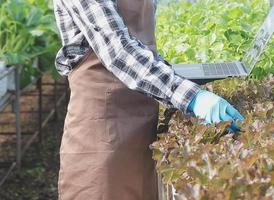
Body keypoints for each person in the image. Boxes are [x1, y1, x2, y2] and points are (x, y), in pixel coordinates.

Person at [53, 0, 244, 199]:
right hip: (101, 132)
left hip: (142, 127)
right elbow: (119, 51)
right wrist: (192, 97)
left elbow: (141, 45)